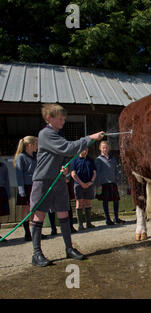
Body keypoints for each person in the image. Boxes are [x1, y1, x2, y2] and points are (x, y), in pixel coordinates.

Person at [29, 103, 104, 267]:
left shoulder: (58, 134)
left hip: (59, 180)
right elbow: (68, 148)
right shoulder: (46, 134)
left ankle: (69, 248)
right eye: (61, 118)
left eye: (64, 119)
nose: (63, 121)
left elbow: (65, 157)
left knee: (64, 212)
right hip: (43, 180)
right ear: (49, 118)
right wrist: (89, 138)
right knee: (39, 214)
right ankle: (36, 254)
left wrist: (66, 169)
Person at [14, 136, 38, 241]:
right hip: (26, 186)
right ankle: (27, 233)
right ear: (30, 145)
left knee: (35, 210)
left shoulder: (35, 156)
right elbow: (19, 174)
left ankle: (36, 233)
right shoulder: (21, 157)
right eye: (36, 144)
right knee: (26, 209)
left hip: (35, 186)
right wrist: (21, 190)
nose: (37, 146)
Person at [95, 141, 124, 225]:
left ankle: (116, 217)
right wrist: (98, 185)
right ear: (100, 148)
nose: (105, 149)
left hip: (113, 183)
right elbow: (97, 173)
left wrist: (117, 182)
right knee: (105, 201)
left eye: (106, 147)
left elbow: (116, 171)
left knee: (116, 200)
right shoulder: (98, 159)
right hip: (104, 183)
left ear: (109, 148)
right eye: (103, 147)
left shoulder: (113, 158)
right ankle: (108, 219)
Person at [71, 148, 97, 231]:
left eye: (86, 149)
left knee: (88, 202)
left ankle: (88, 223)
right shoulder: (74, 160)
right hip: (78, 185)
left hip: (89, 184)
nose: (85, 151)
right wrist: (81, 183)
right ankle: (80, 225)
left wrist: (91, 182)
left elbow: (94, 172)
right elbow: (73, 174)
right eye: (83, 149)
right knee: (79, 202)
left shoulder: (91, 160)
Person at [0, 156, 11, 243]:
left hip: (1, 191)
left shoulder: (3, 166)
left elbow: (6, 180)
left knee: (0, 215)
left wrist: (8, 193)